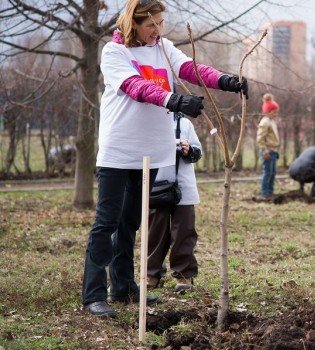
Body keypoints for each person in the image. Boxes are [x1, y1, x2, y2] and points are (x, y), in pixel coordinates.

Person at [82, 0, 247, 318]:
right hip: (119, 151)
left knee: (131, 222)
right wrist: (174, 100)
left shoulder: (163, 47)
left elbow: (191, 69)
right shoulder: (114, 53)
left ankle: (124, 287)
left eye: (160, 23)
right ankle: (94, 295)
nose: (157, 30)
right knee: (107, 223)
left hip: (153, 152)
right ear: (134, 23)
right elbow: (136, 87)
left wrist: (226, 81)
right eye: (151, 25)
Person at [147, 113, 202, 293]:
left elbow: (197, 152)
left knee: (184, 232)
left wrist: (188, 150)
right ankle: (151, 274)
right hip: (156, 185)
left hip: (182, 186)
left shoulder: (184, 123)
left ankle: (184, 275)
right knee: (155, 232)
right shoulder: (147, 121)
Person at [256, 93, 280, 197]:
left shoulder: (271, 121)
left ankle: (270, 191)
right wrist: (264, 150)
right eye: (274, 112)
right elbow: (260, 138)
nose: (276, 115)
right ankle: (265, 193)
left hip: (273, 151)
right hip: (268, 151)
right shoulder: (265, 122)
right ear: (269, 112)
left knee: (272, 173)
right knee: (267, 172)